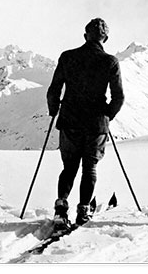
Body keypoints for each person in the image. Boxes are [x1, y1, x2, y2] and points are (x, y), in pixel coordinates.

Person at [46, 18, 125, 227]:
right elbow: (119, 96)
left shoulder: (67, 57)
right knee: (90, 167)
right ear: (105, 38)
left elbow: (54, 89)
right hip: (96, 122)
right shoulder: (110, 62)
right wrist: (107, 114)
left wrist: (54, 109)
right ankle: (84, 210)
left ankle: (61, 209)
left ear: (85, 36)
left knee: (69, 167)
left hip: (70, 119)